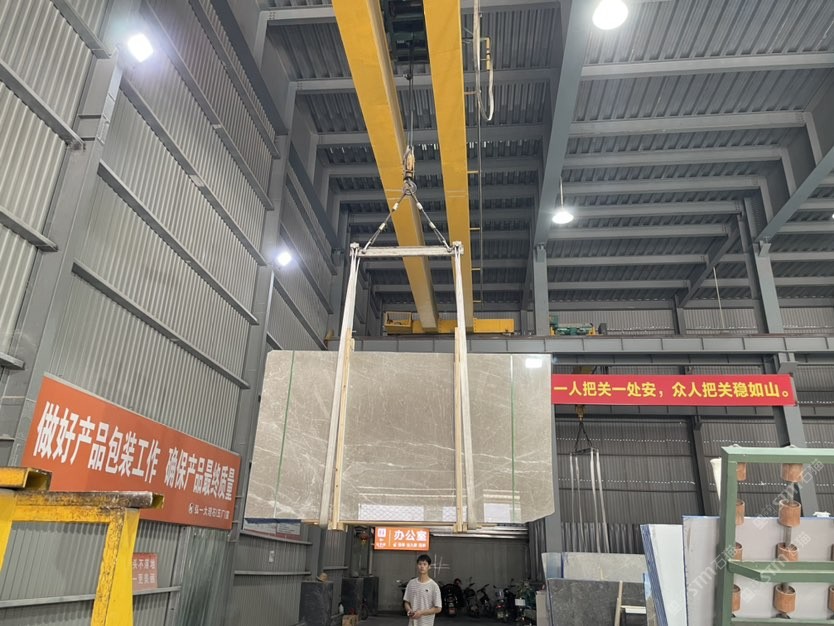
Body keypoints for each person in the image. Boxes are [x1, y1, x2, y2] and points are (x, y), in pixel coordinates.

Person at [403, 554, 442, 626]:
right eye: (420, 564)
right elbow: (406, 602)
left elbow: (438, 608)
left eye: (424, 564)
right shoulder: (411, 583)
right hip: (412, 623)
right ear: (417, 566)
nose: (422, 566)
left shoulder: (433, 586)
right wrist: (409, 610)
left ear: (429, 566)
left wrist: (421, 612)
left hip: (426, 623)